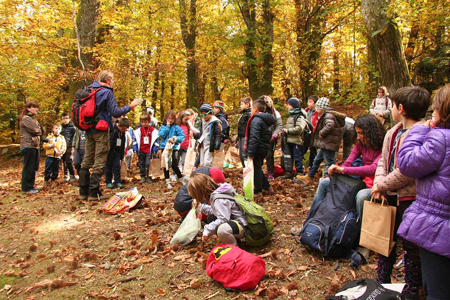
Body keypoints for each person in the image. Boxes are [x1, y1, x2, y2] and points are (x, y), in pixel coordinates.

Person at [369, 86, 431, 299]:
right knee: (384, 241)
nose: (391, 108)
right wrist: (378, 184)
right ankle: (382, 282)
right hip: (389, 197)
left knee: (411, 246)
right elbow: (382, 161)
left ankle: (413, 288)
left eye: (393, 105)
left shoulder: (422, 134)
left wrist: (382, 185)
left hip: (411, 199)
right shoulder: (392, 132)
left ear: (400, 108)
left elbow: (407, 172)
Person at [396, 85, 450, 299]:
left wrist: (419, 129)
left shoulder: (440, 139)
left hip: (439, 227)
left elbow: (407, 162)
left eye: (435, 108)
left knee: (437, 289)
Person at [79, 70, 143, 201]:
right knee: (100, 159)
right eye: (112, 80)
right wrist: (131, 105)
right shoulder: (107, 92)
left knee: (87, 159)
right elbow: (115, 112)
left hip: (88, 128)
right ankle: (93, 193)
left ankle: (83, 191)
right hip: (101, 130)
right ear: (108, 80)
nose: (112, 82)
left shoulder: (89, 90)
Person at [309, 114, 385, 216]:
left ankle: (359, 228)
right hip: (360, 180)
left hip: (376, 183)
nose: (358, 137)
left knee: (361, 196)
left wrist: (343, 170)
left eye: (361, 133)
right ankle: (311, 222)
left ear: (371, 133)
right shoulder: (361, 144)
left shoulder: (384, 146)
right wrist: (337, 171)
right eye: (357, 133)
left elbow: (373, 169)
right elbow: (348, 162)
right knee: (324, 183)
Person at [189, 173, 248, 246]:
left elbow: (223, 219)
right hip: (236, 223)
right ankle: (235, 240)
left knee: (221, 230)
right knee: (212, 218)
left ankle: (234, 247)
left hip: (244, 226)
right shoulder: (217, 193)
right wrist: (200, 207)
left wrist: (207, 229)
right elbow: (216, 211)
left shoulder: (219, 199)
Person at [298, 97, 346, 183]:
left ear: (322, 108)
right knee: (317, 160)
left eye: (318, 107)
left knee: (330, 162)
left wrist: (321, 133)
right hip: (326, 143)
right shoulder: (326, 114)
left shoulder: (328, 115)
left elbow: (330, 125)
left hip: (329, 144)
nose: (316, 109)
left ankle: (331, 180)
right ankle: (309, 176)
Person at [244, 99, 276, 198]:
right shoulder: (265, 119)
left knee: (256, 169)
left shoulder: (256, 120)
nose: (251, 111)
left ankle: (258, 190)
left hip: (258, 147)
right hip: (264, 147)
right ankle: (266, 186)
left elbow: (254, 136)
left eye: (252, 109)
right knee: (258, 167)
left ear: (256, 109)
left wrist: (251, 152)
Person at [18, 101, 42, 193]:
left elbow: (40, 130)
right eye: (34, 107)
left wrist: (40, 129)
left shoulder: (33, 119)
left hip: (34, 145)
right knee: (29, 167)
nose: (36, 109)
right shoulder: (26, 118)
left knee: (34, 167)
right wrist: (39, 129)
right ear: (28, 108)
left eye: (37, 107)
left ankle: (31, 186)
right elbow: (36, 130)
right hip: (28, 145)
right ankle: (26, 188)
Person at [281, 97, 308, 179]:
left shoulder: (300, 117)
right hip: (289, 141)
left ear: (294, 105)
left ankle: (300, 173)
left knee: (297, 158)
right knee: (288, 157)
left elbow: (299, 128)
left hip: (296, 141)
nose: (288, 106)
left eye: (289, 105)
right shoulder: (291, 115)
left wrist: (288, 131)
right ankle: (289, 172)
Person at [159, 110, 185, 189]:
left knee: (174, 164)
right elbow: (161, 135)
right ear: (165, 118)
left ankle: (181, 178)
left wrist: (174, 139)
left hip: (174, 148)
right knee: (166, 164)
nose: (170, 120)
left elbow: (182, 136)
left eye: (172, 119)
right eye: (168, 118)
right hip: (165, 148)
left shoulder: (177, 127)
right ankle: (167, 181)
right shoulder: (163, 127)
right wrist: (167, 127)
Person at [260, 95, 282, 181]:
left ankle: (270, 173)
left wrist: (275, 135)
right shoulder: (258, 112)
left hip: (271, 138)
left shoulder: (275, 113)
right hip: (260, 137)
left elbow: (279, 124)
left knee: (269, 155)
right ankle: (259, 173)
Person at [105, 118, 130, 189]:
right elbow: (109, 140)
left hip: (118, 151)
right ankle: (108, 182)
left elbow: (122, 143)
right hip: (110, 151)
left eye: (125, 129)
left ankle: (117, 181)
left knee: (117, 166)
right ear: (118, 126)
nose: (124, 130)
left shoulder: (123, 133)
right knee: (108, 166)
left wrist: (122, 154)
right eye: (123, 129)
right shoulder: (112, 129)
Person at [134, 113, 157, 183]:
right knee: (141, 163)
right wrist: (135, 150)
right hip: (141, 150)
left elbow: (156, 141)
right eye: (142, 122)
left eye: (145, 122)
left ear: (149, 121)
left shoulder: (153, 130)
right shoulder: (138, 131)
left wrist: (154, 151)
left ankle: (149, 175)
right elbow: (135, 141)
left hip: (149, 150)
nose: (143, 124)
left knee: (148, 164)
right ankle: (142, 176)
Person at [60, 113, 76, 183]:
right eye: (63, 118)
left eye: (66, 118)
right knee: (64, 162)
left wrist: (73, 147)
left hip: (70, 146)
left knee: (69, 161)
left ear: (69, 119)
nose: (65, 120)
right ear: (61, 119)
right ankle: (66, 176)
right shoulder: (60, 127)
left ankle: (72, 175)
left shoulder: (72, 127)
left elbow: (75, 137)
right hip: (62, 147)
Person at [237, 96, 252, 167]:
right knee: (241, 155)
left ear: (247, 104)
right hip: (241, 136)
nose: (241, 106)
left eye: (242, 104)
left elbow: (250, 126)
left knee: (244, 154)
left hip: (245, 137)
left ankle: (247, 169)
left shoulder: (249, 114)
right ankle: (245, 168)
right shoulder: (244, 114)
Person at [305, 95, 319, 168]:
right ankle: (309, 163)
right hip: (308, 132)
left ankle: (313, 164)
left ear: (315, 103)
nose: (308, 103)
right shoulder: (307, 111)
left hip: (315, 133)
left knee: (313, 148)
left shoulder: (317, 112)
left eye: (310, 102)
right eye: (308, 101)